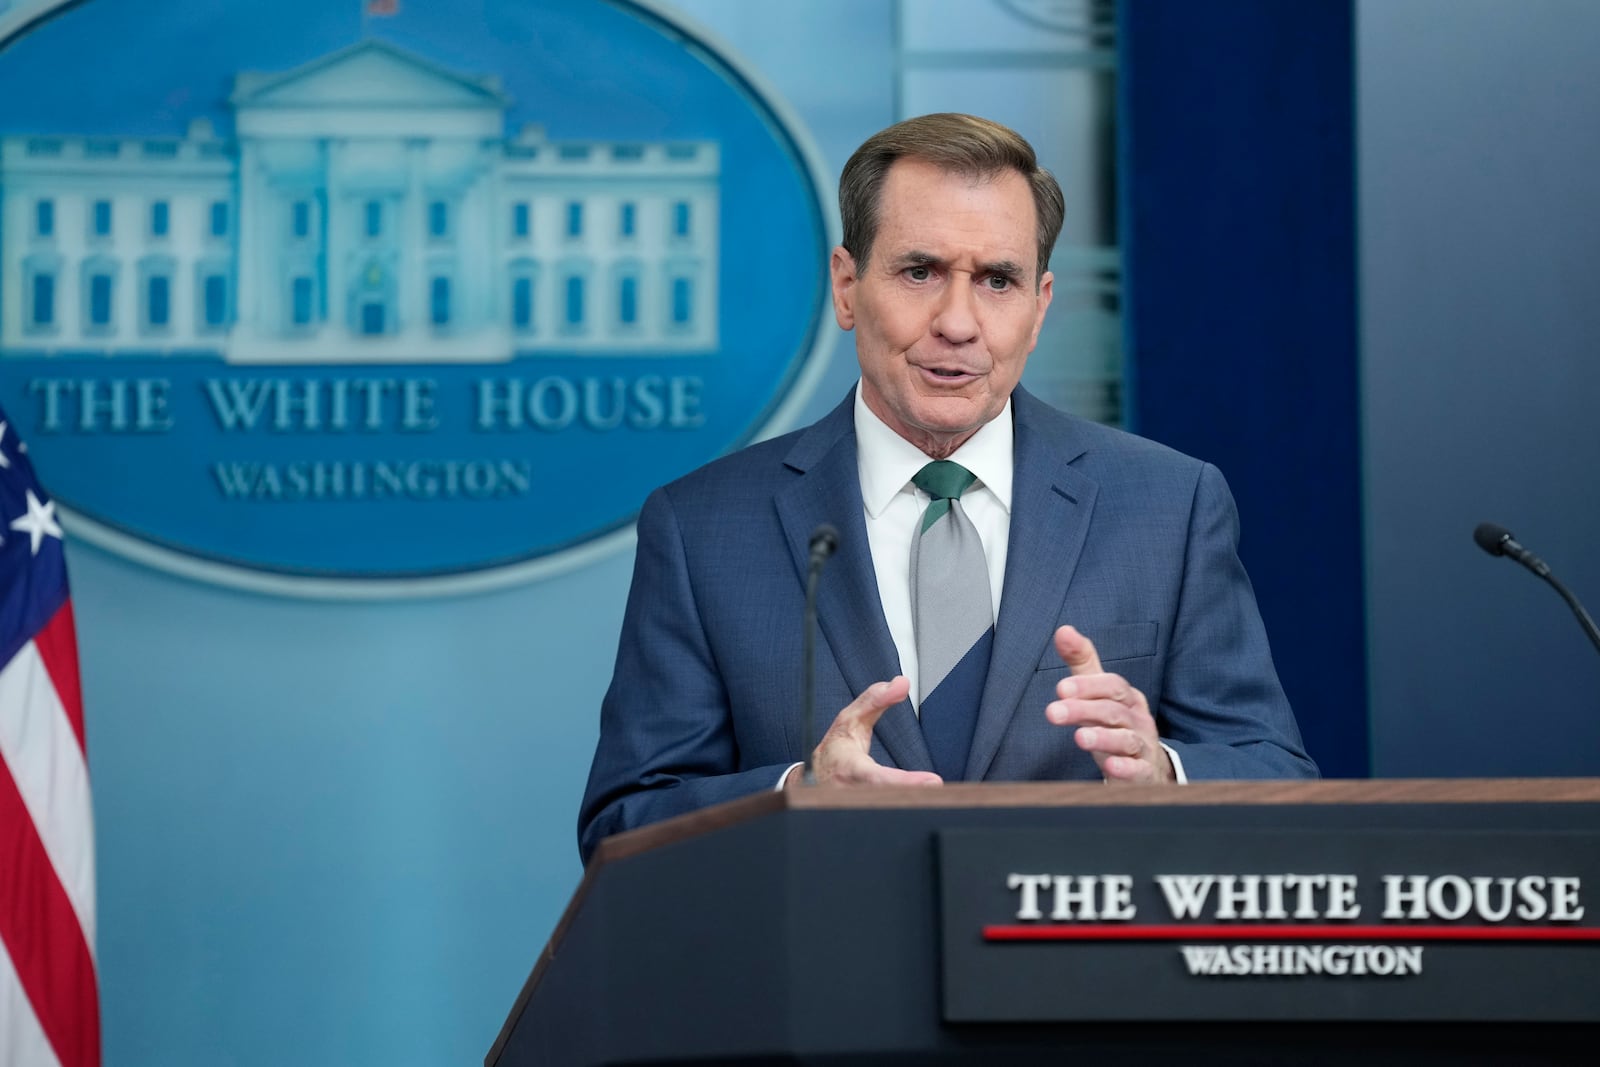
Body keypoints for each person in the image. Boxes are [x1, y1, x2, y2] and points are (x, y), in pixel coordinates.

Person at [578, 113, 1315, 864]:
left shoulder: (1169, 505)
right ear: (846, 286)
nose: (958, 322)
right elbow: (624, 826)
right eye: (919, 271)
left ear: (1039, 307)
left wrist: (1163, 770)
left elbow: (1274, 772)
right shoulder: (703, 527)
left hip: (1081, 974)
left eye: (998, 281)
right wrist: (799, 792)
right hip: (826, 972)